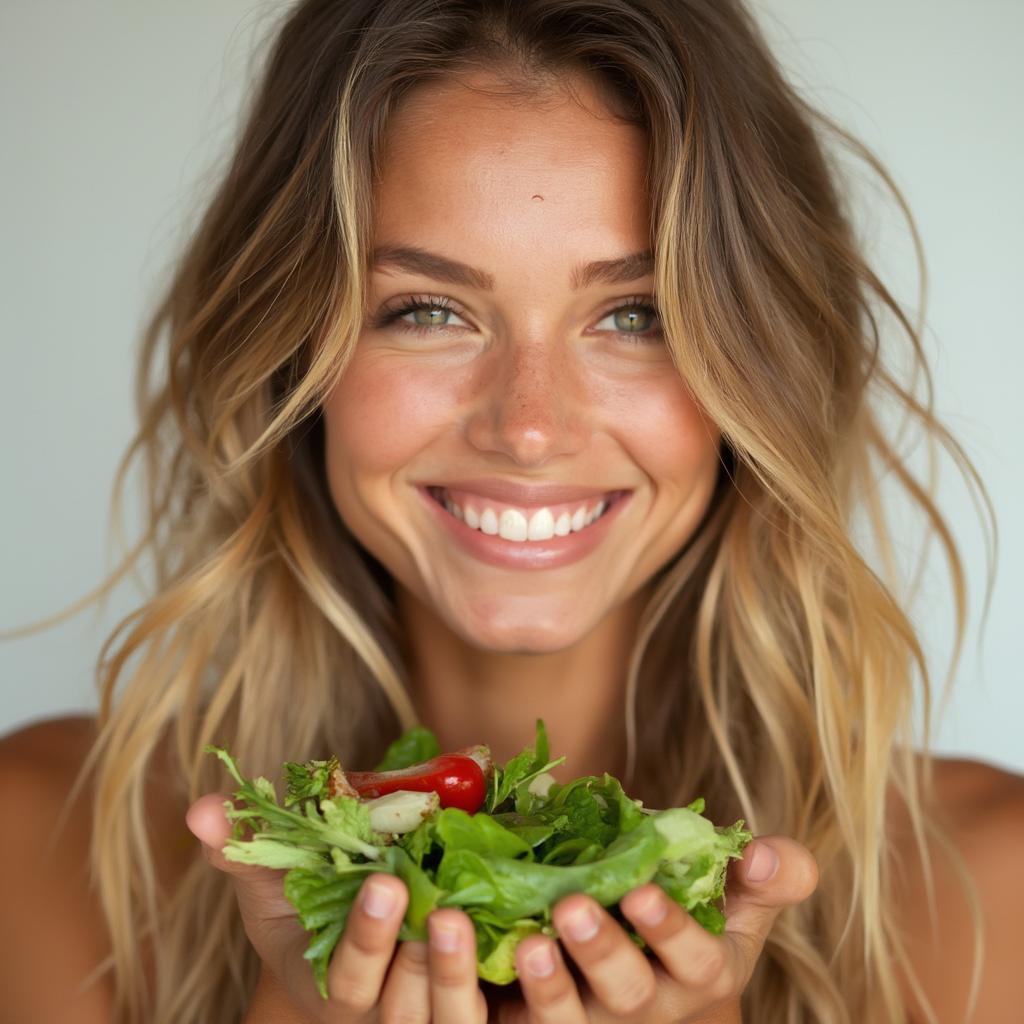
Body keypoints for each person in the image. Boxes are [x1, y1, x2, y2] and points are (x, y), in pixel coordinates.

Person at [1, 0, 1021, 1021]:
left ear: (766, 370)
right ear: (288, 364)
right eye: (427, 311)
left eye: (637, 315)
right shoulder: (42, 846)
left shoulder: (989, 892)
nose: (530, 426)